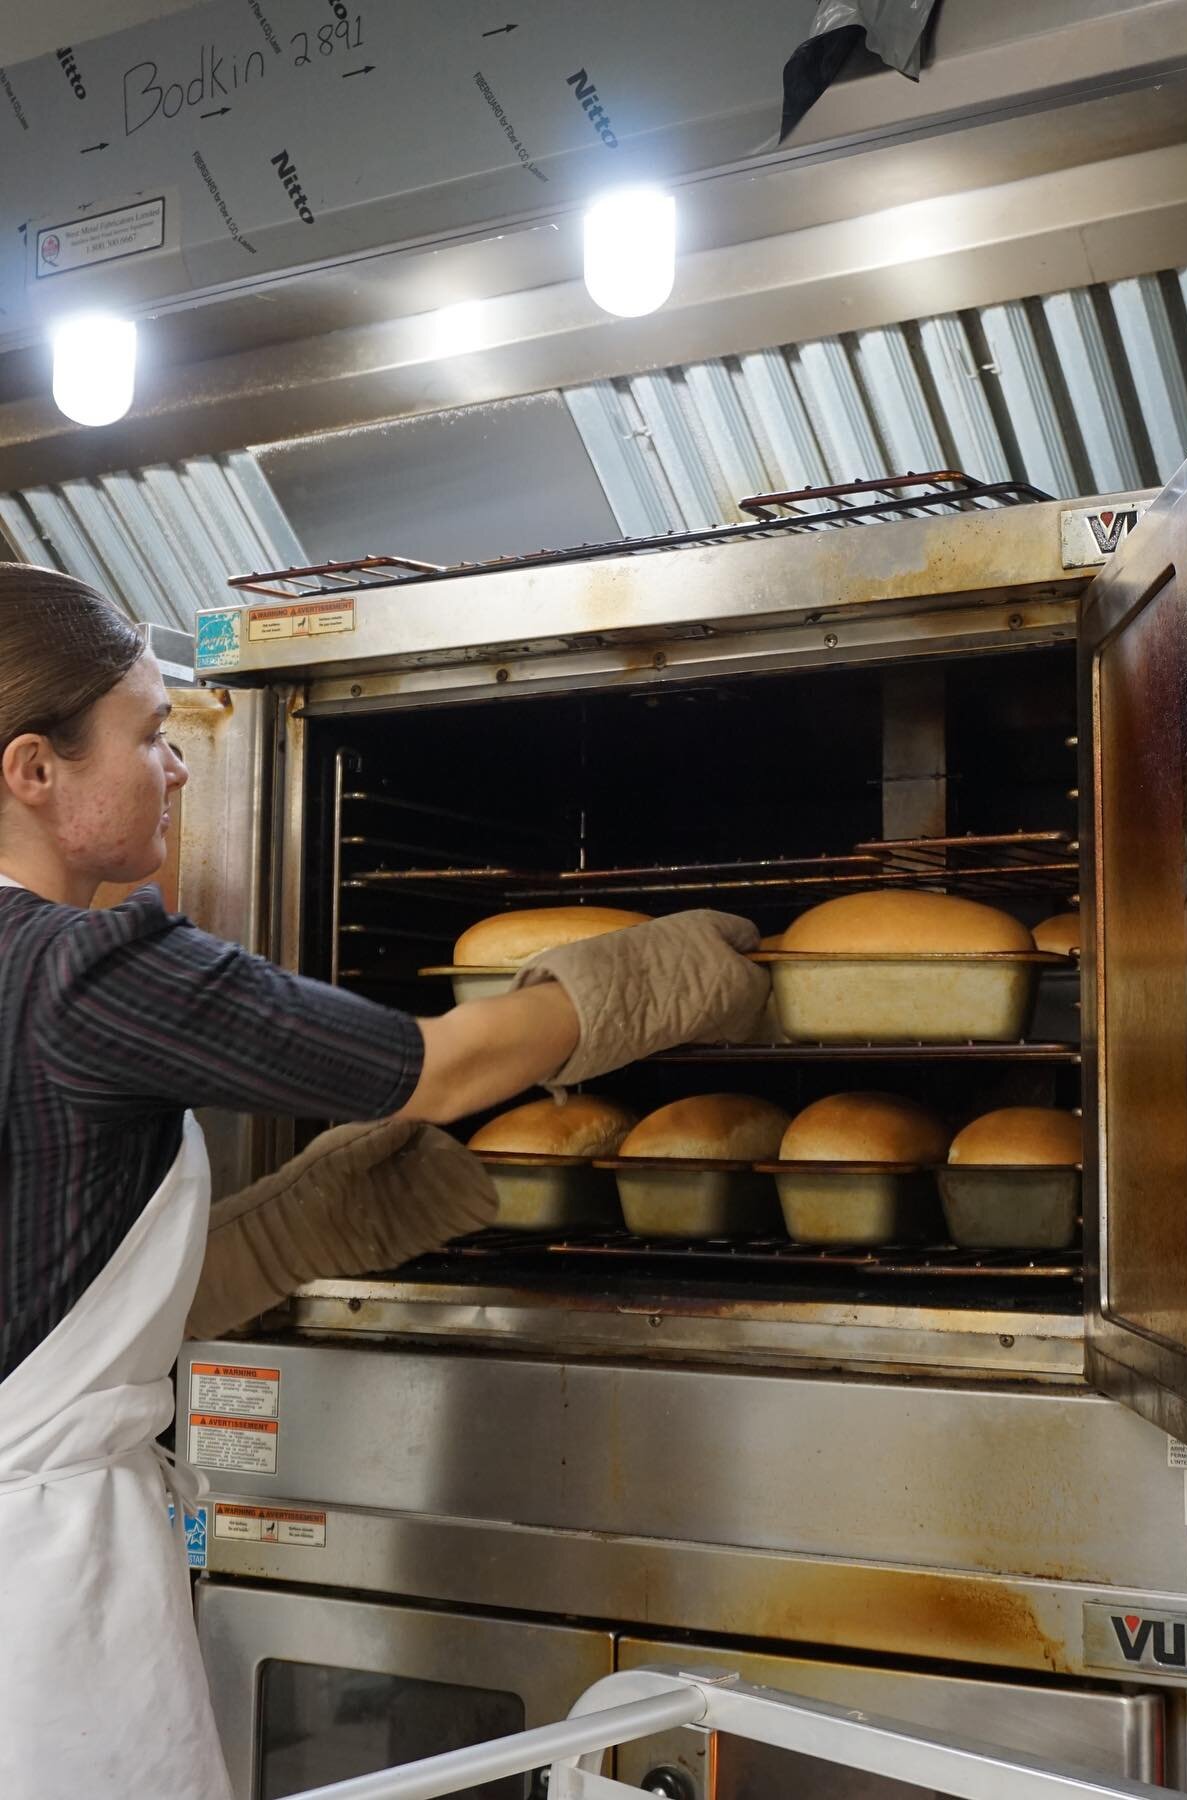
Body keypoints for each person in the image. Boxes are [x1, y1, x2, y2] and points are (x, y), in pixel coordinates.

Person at [0, 563, 766, 1799]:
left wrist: (270, 1234)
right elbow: (435, 1070)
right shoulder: (86, 973)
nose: (177, 764)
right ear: (35, 770)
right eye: (149, 734)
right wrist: (638, 984)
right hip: (40, 1598)